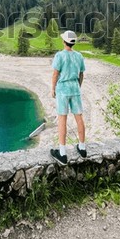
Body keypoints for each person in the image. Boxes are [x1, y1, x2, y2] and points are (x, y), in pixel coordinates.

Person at [50, 30, 86, 165]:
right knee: (79, 117)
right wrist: (78, 86)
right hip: (75, 87)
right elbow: (81, 74)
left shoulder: (59, 55)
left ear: (64, 41)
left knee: (62, 119)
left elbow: (55, 74)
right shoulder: (79, 56)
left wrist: (52, 89)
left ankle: (62, 153)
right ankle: (82, 148)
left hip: (63, 89)